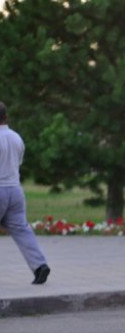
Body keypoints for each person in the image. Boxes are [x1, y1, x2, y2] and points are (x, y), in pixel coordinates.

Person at [0, 101, 51, 285]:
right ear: (6, 117)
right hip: (15, 189)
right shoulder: (16, 138)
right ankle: (39, 266)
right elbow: (18, 162)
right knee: (22, 230)